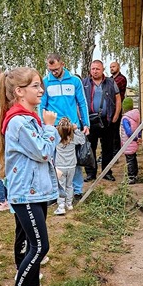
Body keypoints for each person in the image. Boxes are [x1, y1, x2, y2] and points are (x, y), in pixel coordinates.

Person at [0, 67, 63, 286]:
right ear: (19, 92)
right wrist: (50, 128)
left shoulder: (28, 118)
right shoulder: (19, 121)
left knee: (29, 243)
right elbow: (43, 151)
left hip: (35, 192)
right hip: (25, 194)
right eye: (36, 86)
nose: (41, 90)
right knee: (39, 246)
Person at [40, 53, 90, 199]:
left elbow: (82, 103)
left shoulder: (75, 81)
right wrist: (43, 124)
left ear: (62, 64)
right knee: (54, 160)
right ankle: (56, 191)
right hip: (54, 127)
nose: (53, 72)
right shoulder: (46, 82)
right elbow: (41, 106)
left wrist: (85, 123)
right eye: (50, 70)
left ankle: (77, 190)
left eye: (55, 69)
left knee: (74, 159)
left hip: (72, 127)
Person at [82, 60, 121, 182]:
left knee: (107, 148)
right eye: (93, 69)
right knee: (90, 148)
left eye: (97, 69)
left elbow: (118, 99)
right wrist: (82, 119)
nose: (95, 71)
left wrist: (116, 115)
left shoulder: (110, 82)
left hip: (107, 120)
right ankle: (91, 173)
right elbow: (79, 101)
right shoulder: (84, 83)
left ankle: (107, 172)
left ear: (102, 69)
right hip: (90, 121)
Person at [54, 117, 85, 216]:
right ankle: (69, 203)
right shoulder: (73, 139)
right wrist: (76, 130)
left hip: (60, 166)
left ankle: (61, 206)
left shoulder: (57, 139)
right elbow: (82, 140)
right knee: (69, 185)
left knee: (61, 186)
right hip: (71, 165)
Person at [120, 97, 142, 184]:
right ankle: (135, 174)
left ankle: (131, 177)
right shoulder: (136, 116)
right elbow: (140, 127)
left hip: (128, 142)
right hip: (134, 142)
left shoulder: (125, 118)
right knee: (133, 158)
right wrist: (138, 137)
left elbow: (128, 132)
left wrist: (135, 138)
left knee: (129, 160)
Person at [110, 61, 128, 156]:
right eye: (110, 67)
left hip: (117, 107)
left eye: (113, 66)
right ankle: (111, 151)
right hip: (109, 108)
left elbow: (111, 88)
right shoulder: (110, 79)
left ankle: (116, 152)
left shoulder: (121, 79)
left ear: (118, 67)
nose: (112, 68)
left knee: (115, 130)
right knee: (109, 131)